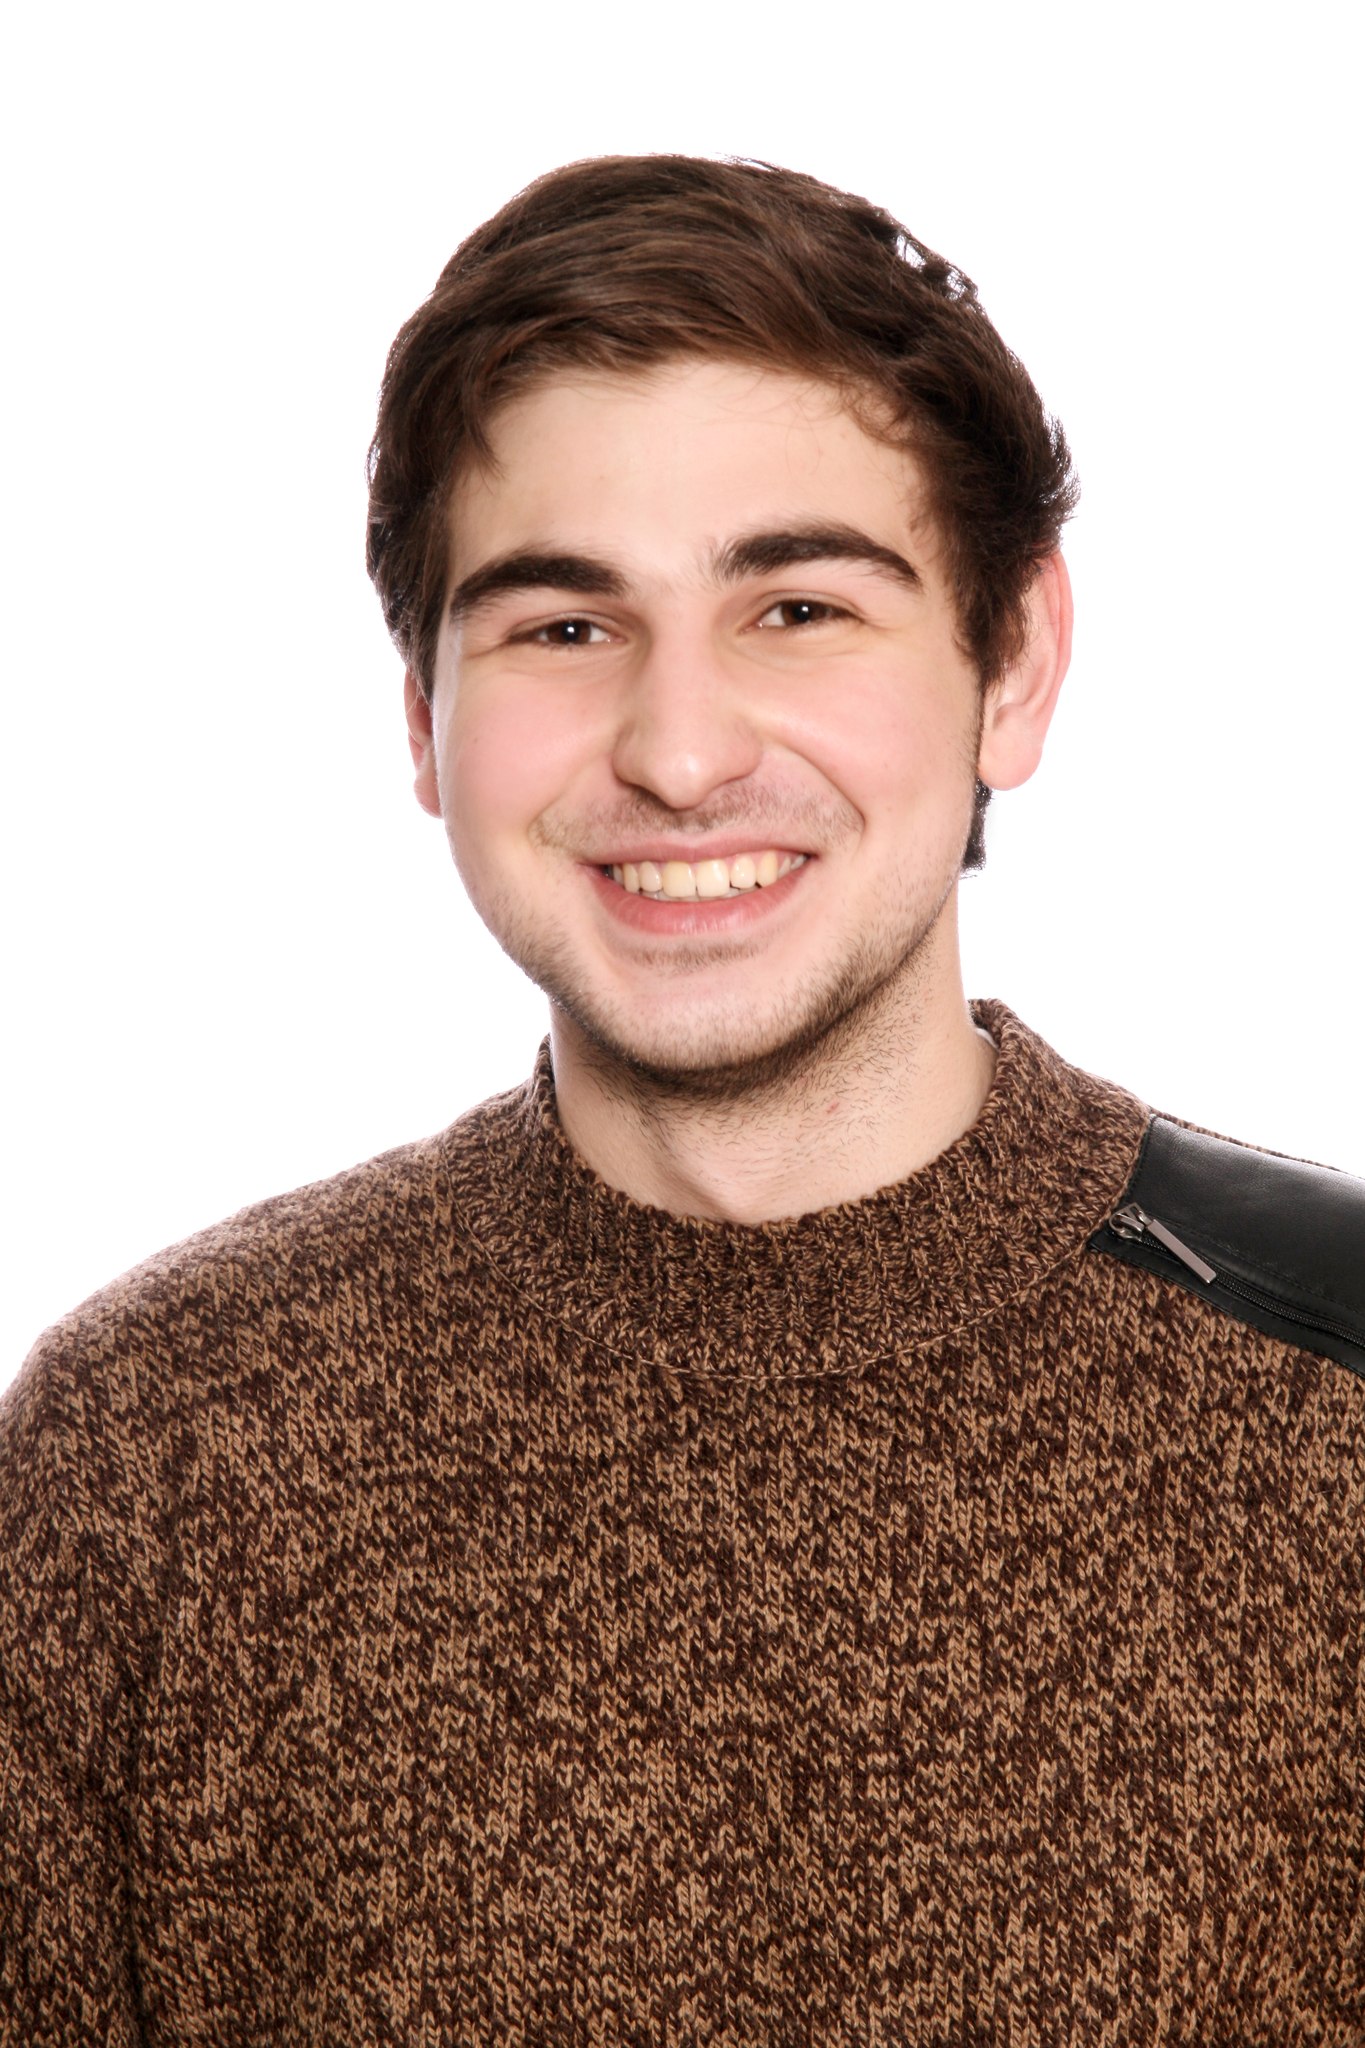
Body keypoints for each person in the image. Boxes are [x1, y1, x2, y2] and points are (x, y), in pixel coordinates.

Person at [2, 154, 1361, 2046]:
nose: (680, 751)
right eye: (563, 628)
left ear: (1013, 663)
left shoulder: (1335, 1394)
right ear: (424, 717)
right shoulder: (146, 1457)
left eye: (796, 608)